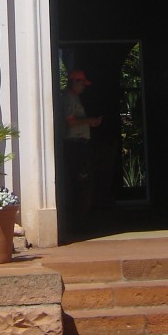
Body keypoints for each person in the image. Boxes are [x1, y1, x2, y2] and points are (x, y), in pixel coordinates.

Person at [62, 69, 102, 226]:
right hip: (75, 145)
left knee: (83, 182)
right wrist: (89, 120)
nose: (83, 87)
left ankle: (80, 219)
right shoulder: (69, 98)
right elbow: (70, 121)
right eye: (82, 84)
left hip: (80, 145)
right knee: (81, 182)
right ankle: (78, 222)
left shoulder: (74, 98)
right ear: (74, 82)